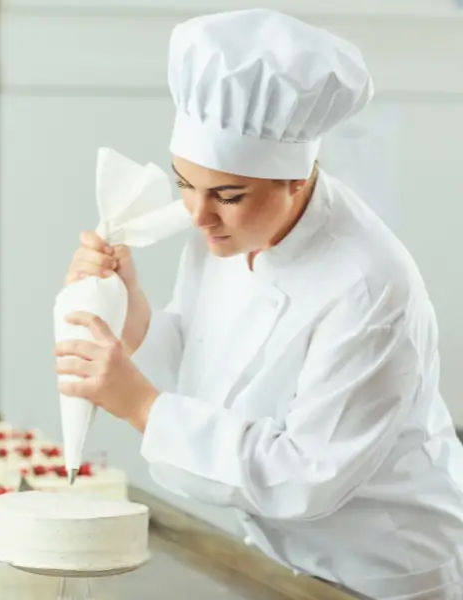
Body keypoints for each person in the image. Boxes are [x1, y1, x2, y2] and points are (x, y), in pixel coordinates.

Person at [54, 9, 463, 600]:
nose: (198, 216)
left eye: (228, 195)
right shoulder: (225, 230)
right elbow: (207, 358)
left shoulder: (368, 285)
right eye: (184, 183)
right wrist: (132, 310)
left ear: (296, 179)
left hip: (385, 570)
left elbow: (305, 476)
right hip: (284, 558)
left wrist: (139, 406)